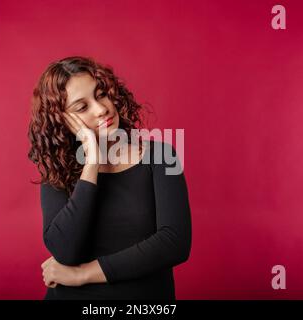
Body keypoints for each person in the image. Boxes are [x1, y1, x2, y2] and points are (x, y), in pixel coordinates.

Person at [27, 56, 192, 300]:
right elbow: (64, 251)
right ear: (63, 121)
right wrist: (92, 161)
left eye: (101, 94)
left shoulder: (160, 155)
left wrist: (82, 274)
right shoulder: (58, 171)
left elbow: (173, 243)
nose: (102, 108)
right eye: (82, 107)